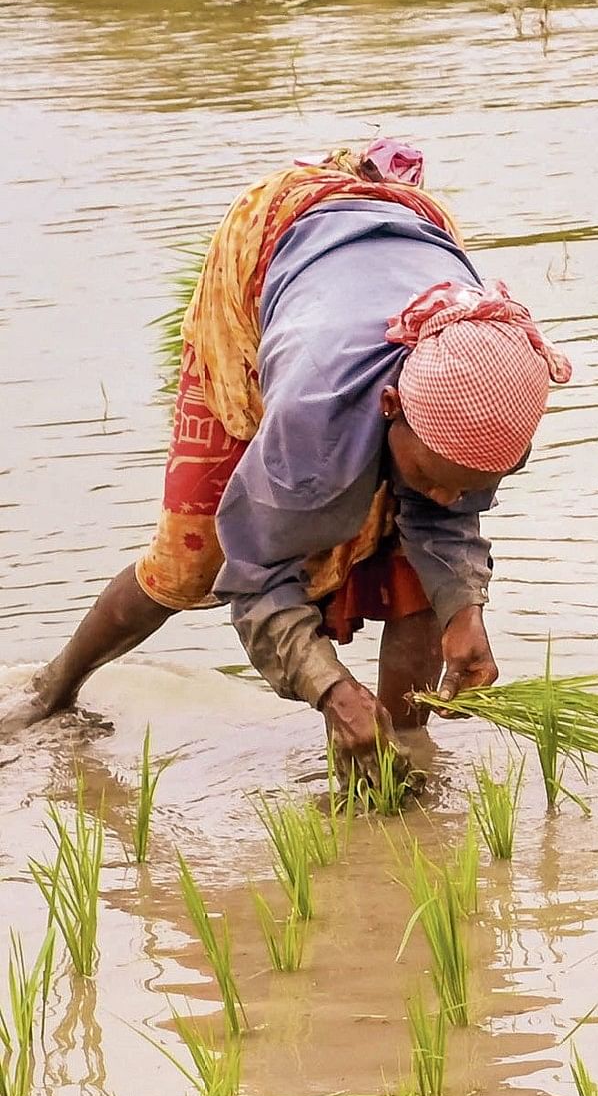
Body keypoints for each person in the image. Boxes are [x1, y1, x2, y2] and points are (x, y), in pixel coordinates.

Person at [12, 141, 567, 764]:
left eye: (466, 485)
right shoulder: (312, 413)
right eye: (432, 476)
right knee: (195, 556)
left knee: (412, 560)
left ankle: (405, 749)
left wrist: (464, 611)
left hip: (409, 235)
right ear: (389, 406)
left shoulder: (492, 383)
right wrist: (329, 687)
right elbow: (255, 579)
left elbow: (444, 513)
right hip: (267, 252)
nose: (445, 497)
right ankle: (52, 687)